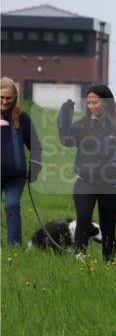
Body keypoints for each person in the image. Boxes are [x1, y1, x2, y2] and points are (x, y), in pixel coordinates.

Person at [58, 85, 116, 261]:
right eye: (89, 102)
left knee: (108, 228)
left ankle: (109, 263)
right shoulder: (82, 124)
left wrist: (115, 164)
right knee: (83, 218)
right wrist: (65, 114)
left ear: (106, 102)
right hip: (85, 181)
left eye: (95, 102)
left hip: (111, 183)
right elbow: (66, 139)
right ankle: (80, 256)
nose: (91, 106)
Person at [1, 78, 42, 246]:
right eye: (1, 97)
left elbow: (36, 145)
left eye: (8, 98)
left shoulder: (23, 118)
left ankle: (15, 246)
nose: (4, 101)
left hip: (16, 176)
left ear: (15, 98)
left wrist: (35, 168)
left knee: (12, 206)